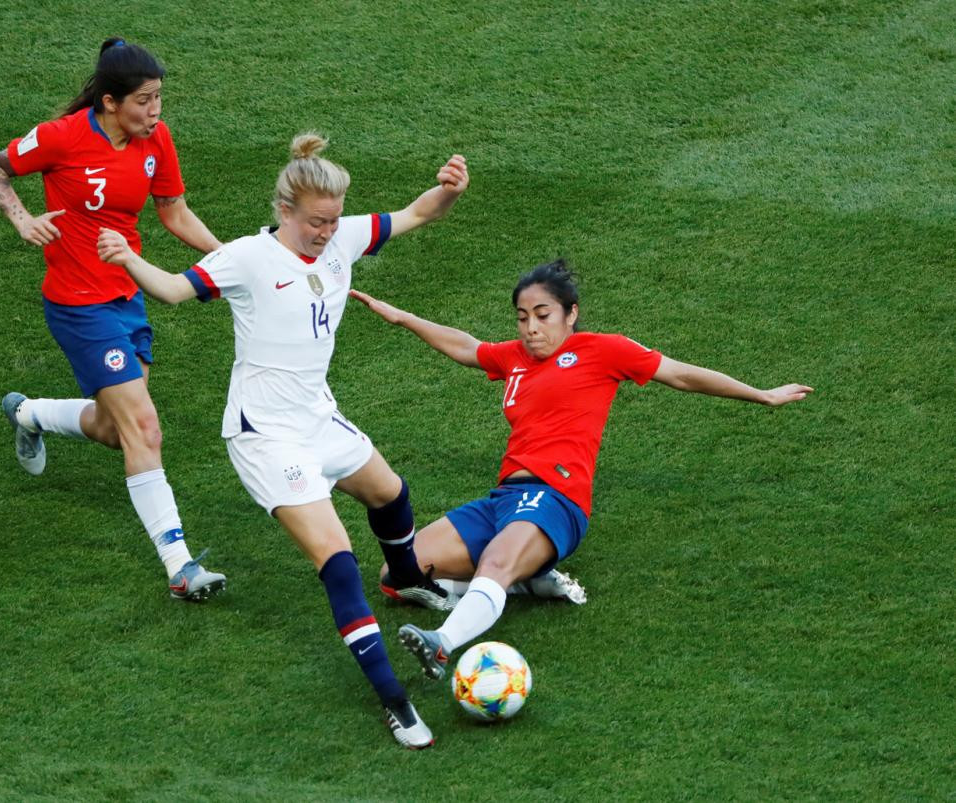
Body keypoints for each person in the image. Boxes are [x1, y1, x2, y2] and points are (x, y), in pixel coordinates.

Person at [96, 133, 470, 749]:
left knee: (390, 492)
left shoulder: (343, 235)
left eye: (332, 220)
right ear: (285, 212)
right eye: (316, 222)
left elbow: (418, 212)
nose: (327, 233)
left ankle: (405, 579)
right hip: (266, 436)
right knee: (339, 560)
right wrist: (125, 258)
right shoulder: (246, 258)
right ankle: (394, 701)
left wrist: (448, 190)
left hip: (316, 415)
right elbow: (170, 289)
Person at [348, 259, 813, 680]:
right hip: (502, 500)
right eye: (523, 317)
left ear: (571, 314)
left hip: (556, 498)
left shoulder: (602, 350)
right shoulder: (514, 358)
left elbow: (680, 374)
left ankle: (443, 643)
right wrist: (403, 317)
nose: (532, 328)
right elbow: (469, 347)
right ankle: (523, 582)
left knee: (495, 562)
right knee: (397, 574)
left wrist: (762, 393)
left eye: (543, 315)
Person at [0, 38, 226, 601]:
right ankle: (180, 566)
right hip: (78, 305)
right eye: (143, 101)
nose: (155, 112)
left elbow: (175, 213)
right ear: (110, 101)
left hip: (128, 297)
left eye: (159, 98)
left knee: (117, 431)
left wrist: (232, 259)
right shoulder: (64, 136)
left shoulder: (155, 139)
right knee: (145, 429)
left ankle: (31, 414)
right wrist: (21, 218)